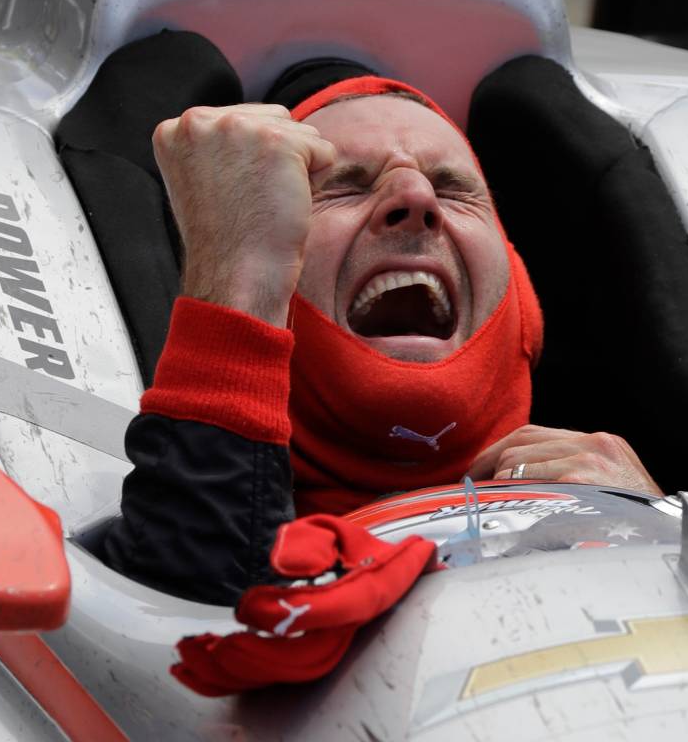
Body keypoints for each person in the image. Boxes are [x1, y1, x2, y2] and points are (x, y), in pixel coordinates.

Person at [102, 76, 660, 606]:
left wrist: (667, 534)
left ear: (523, 309)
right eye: (343, 187)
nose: (416, 198)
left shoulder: (640, 512)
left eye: (454, 189)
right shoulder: (119, 552)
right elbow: (185, 656)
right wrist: (236, 285)